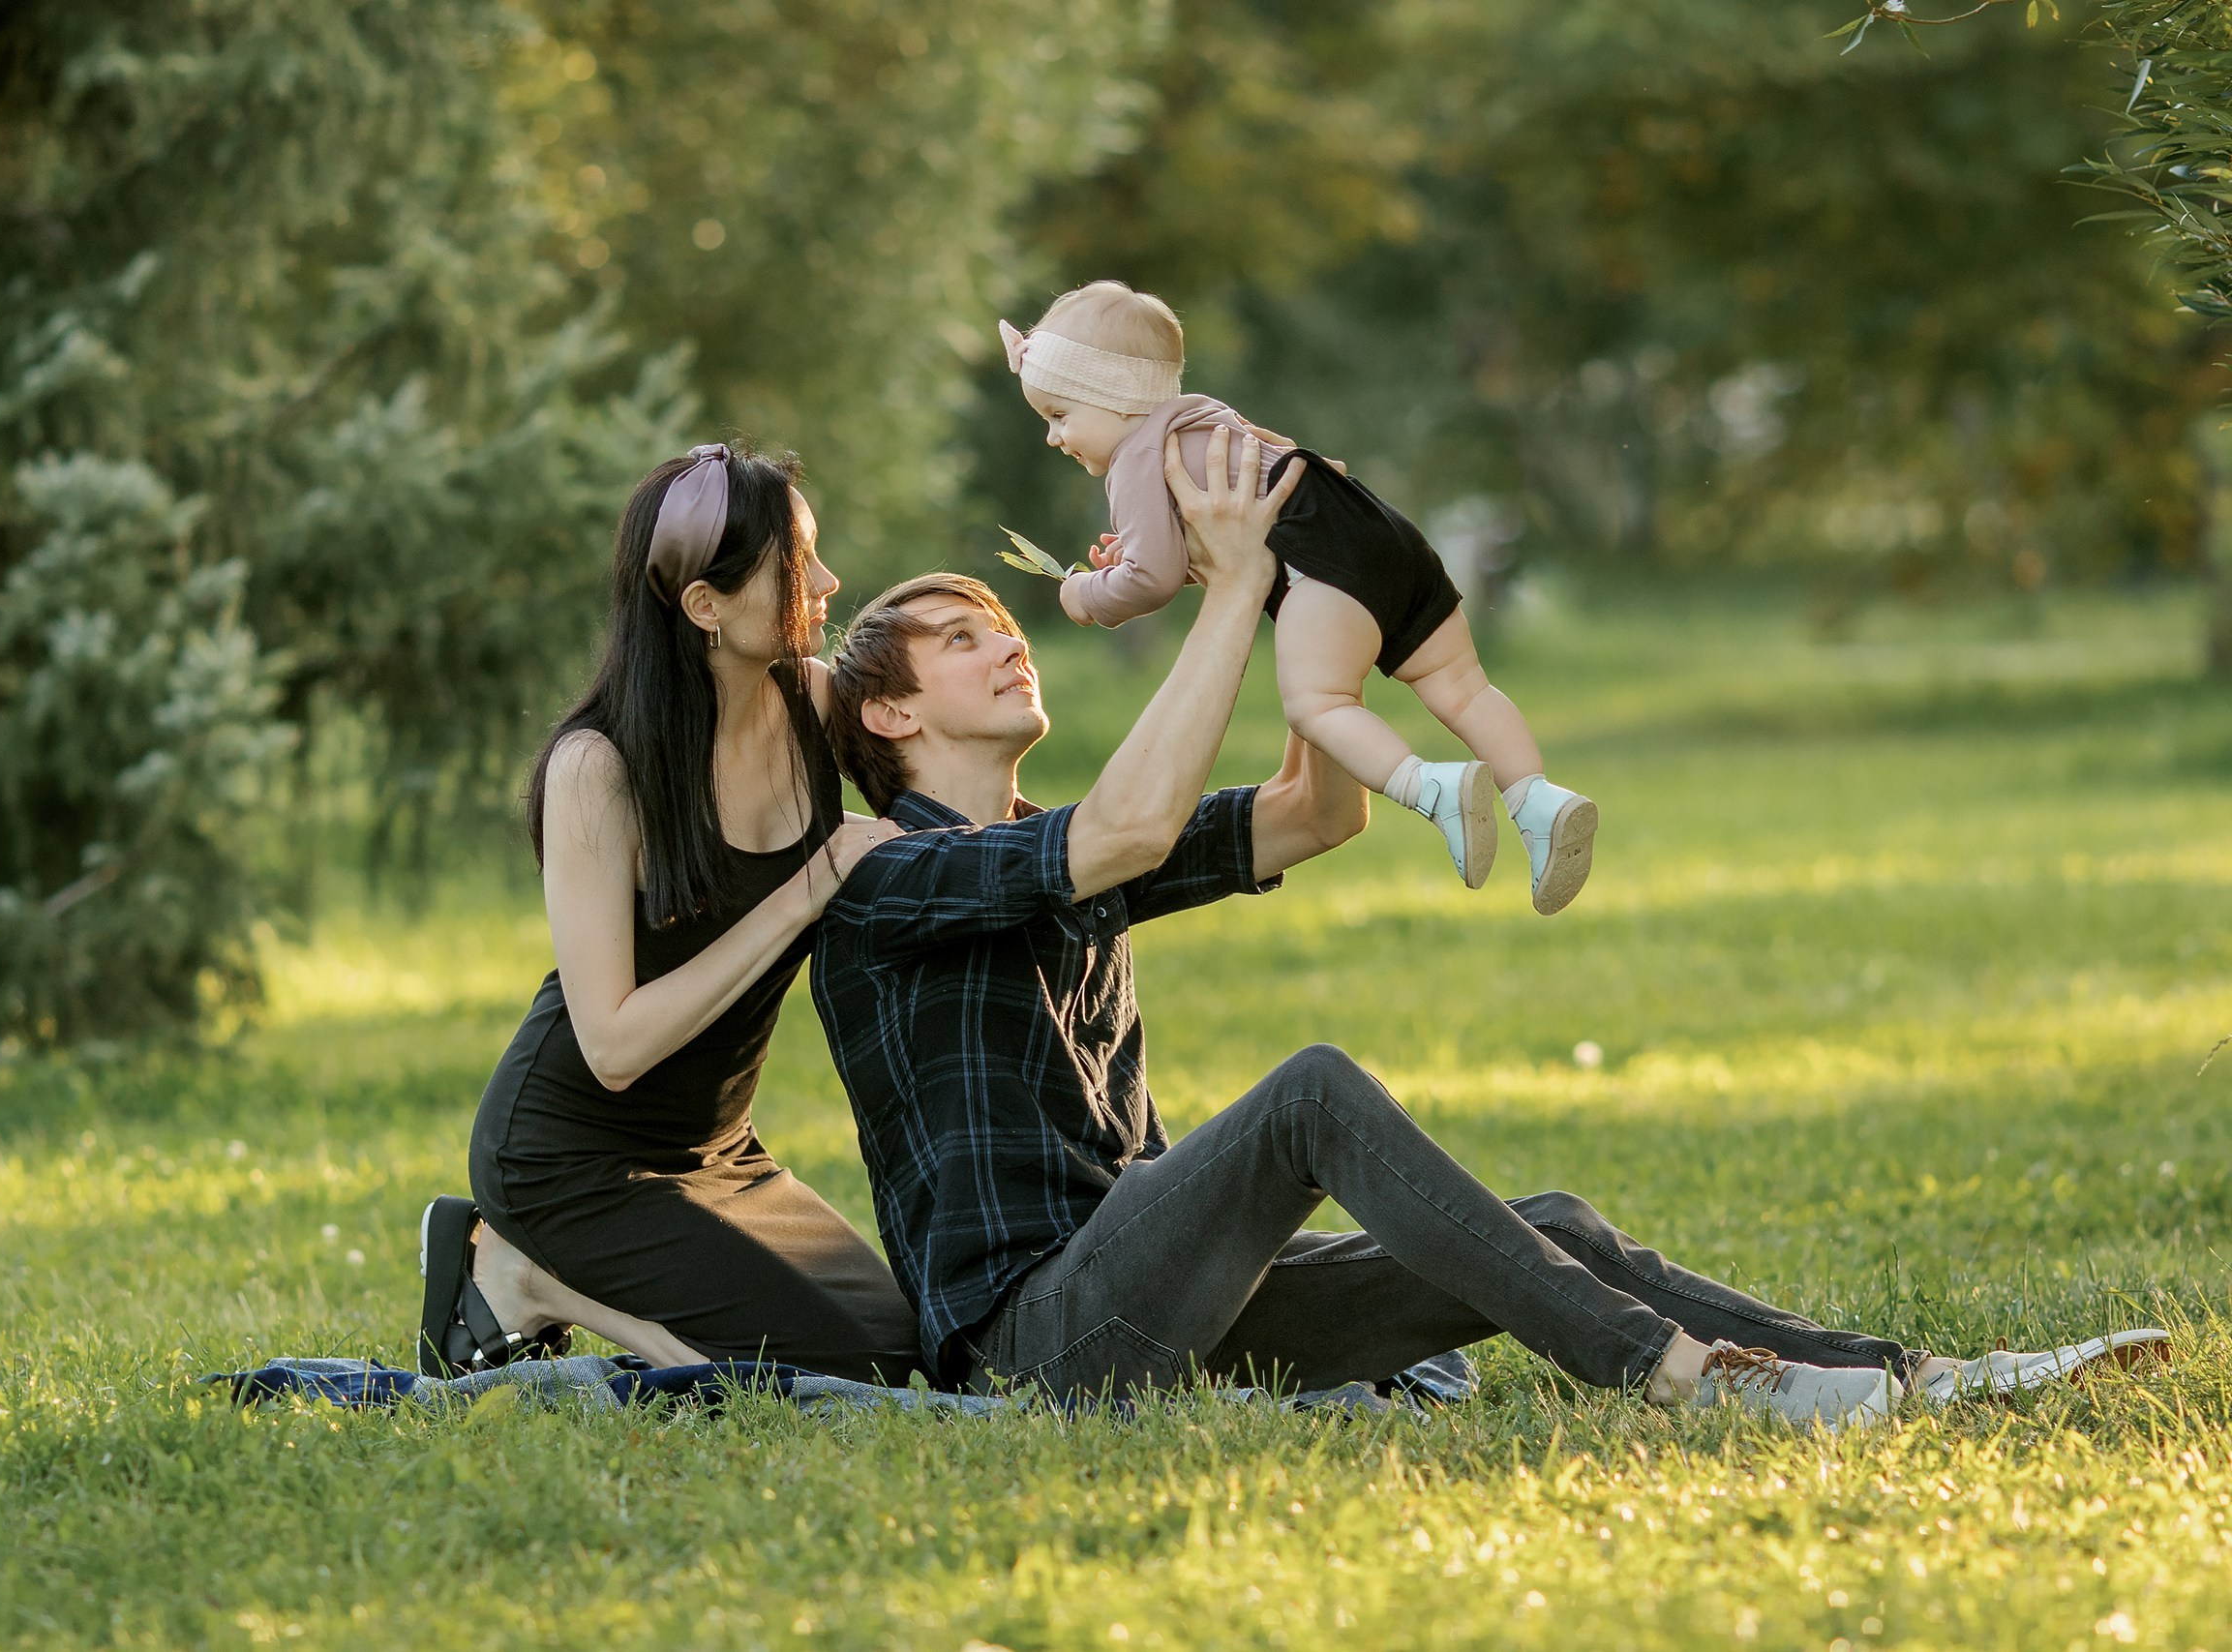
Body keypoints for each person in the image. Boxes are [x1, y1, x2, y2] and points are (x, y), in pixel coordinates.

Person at [806, 425, 2165, 1424]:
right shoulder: (877, 873)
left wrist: (1300, 580)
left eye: (1002, 621)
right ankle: (1680, 1375)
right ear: (887, 712)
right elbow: (1120, 829)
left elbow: (1309, 814)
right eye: (955, 634)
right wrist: (1217, 590)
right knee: (1310, 1092)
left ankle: (1898, 1377)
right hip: (1038, 1341)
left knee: (1556, 1220)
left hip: (1163, 1288)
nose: (1004, 639)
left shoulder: (1051, 851)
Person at [417, 443, 924, 1386]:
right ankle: (527, 1275)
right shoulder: (597, 771)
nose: (827, 580)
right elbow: (610, 1044)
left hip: (715, 1146)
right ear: (705, 607)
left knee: (904, 1349)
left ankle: (539, 1280)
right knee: (847, 1380)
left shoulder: (810, 705)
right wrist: (810, 885)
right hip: (571, 1154)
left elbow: (932, 822)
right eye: (792, 566)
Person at [999, 280, 1594, 915]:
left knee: (1318, 702)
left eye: (1060, 416)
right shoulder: (1204, 412)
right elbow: (1237, 507)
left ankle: (1433, 788)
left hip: (1320, 562)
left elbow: (1153, 578)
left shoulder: (1134, 458)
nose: (1053, 438)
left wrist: (1085, 593)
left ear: (1112, 399)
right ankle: (1538, 798)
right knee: (1461, 683)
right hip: (1374, 525)